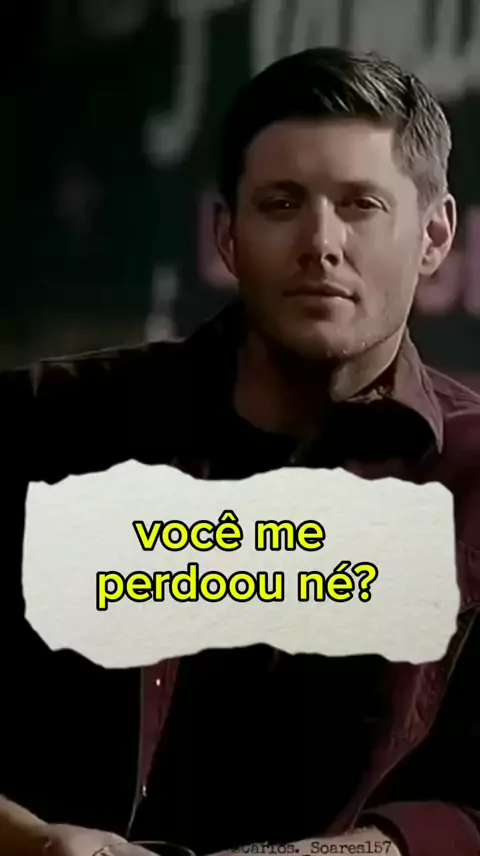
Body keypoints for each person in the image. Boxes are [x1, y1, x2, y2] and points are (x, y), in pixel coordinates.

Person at [1, 46, 480, 856]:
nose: (320, 242)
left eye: (361, 204)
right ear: (227, 233)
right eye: (282, 203)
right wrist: (31, 842)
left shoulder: (473, 476)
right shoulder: (46, 423)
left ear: (434, 235)